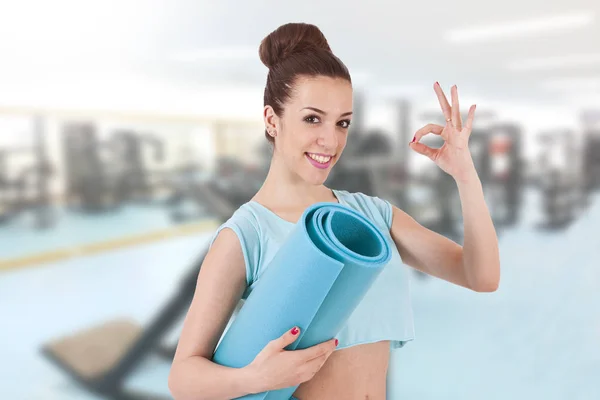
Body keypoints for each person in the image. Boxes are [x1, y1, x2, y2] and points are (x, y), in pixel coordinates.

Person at [168, 22, 500, 400]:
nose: (331, 140)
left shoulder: (372, 216)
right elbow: (183, 379)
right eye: (313, 118)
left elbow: (481, 276)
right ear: (271, 120)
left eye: (342, 122)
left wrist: (465, 175)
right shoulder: (247, 233)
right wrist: (256, 378)